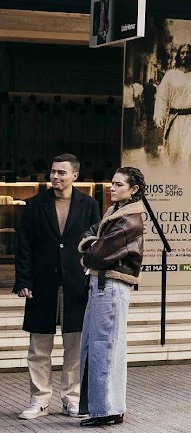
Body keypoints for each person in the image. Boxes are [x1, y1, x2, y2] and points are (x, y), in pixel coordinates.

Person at [14, 154, 100, 420]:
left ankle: (71, 399)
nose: (55, 176)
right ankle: (39, 400)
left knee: (75, 348)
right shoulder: (34, 204)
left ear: (75, 175)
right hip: (42, 284)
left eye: (62, 172)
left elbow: (95, 245)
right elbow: (24, 245)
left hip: (76, 285)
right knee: (39, 349)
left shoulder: (89, 205)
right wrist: (23, 280)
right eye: (53, 171)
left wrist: (93, 279)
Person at [76, 167, 146, 427]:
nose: (112, 188)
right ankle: (107, 408)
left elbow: (96, 255)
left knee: (104, 348)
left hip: (111, 286)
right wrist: (93, 244)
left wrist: (90, 249)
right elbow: (90, 234)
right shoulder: (115, 214)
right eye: (112, 183)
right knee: (100, 347)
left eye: (118, 185)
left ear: (133, 189)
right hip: (104, 285)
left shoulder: (128, 220)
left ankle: (107, 410)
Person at [154, 44, 191, 164]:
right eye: (182, 53)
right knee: (174, 155)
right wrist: (159, 114)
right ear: (178, 56)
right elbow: (162, 97)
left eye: (188, 53)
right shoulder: (170, 75)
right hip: (174, 119)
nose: (185, 55)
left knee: (188, 153)